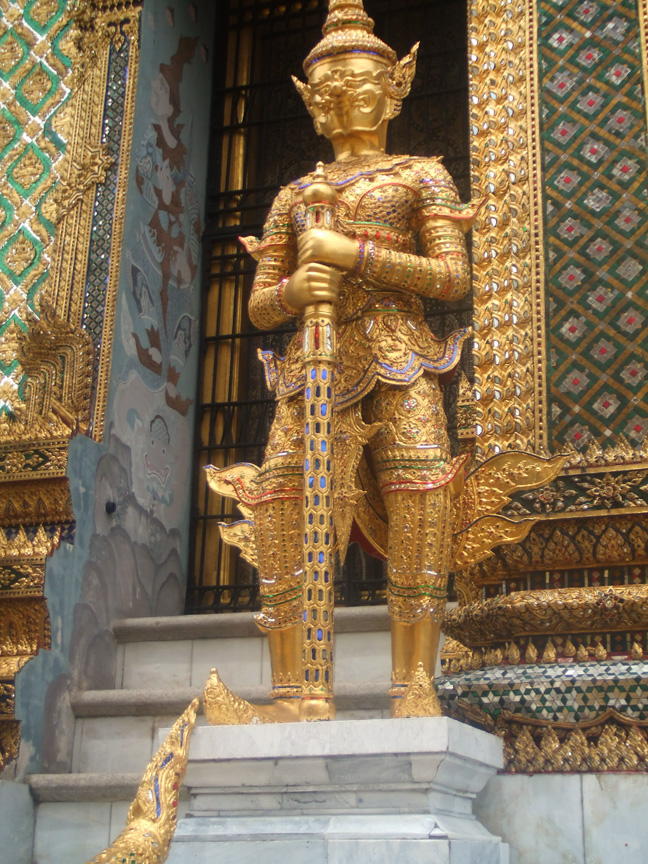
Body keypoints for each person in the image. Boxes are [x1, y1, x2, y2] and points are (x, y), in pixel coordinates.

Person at [207, 0, 482, 722]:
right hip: (311, 368)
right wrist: (299, 283)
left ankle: (413, 687)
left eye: (359, 84)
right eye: (326, 92)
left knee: (421, 501)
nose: (342, 100)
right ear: (310, 104)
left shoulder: (422, 177)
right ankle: (298, 691)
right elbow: (262, 305)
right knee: (285, 509)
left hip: (398, 355)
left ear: (395, 89)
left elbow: (452, 279)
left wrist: (354, 254)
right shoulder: (295, 196)